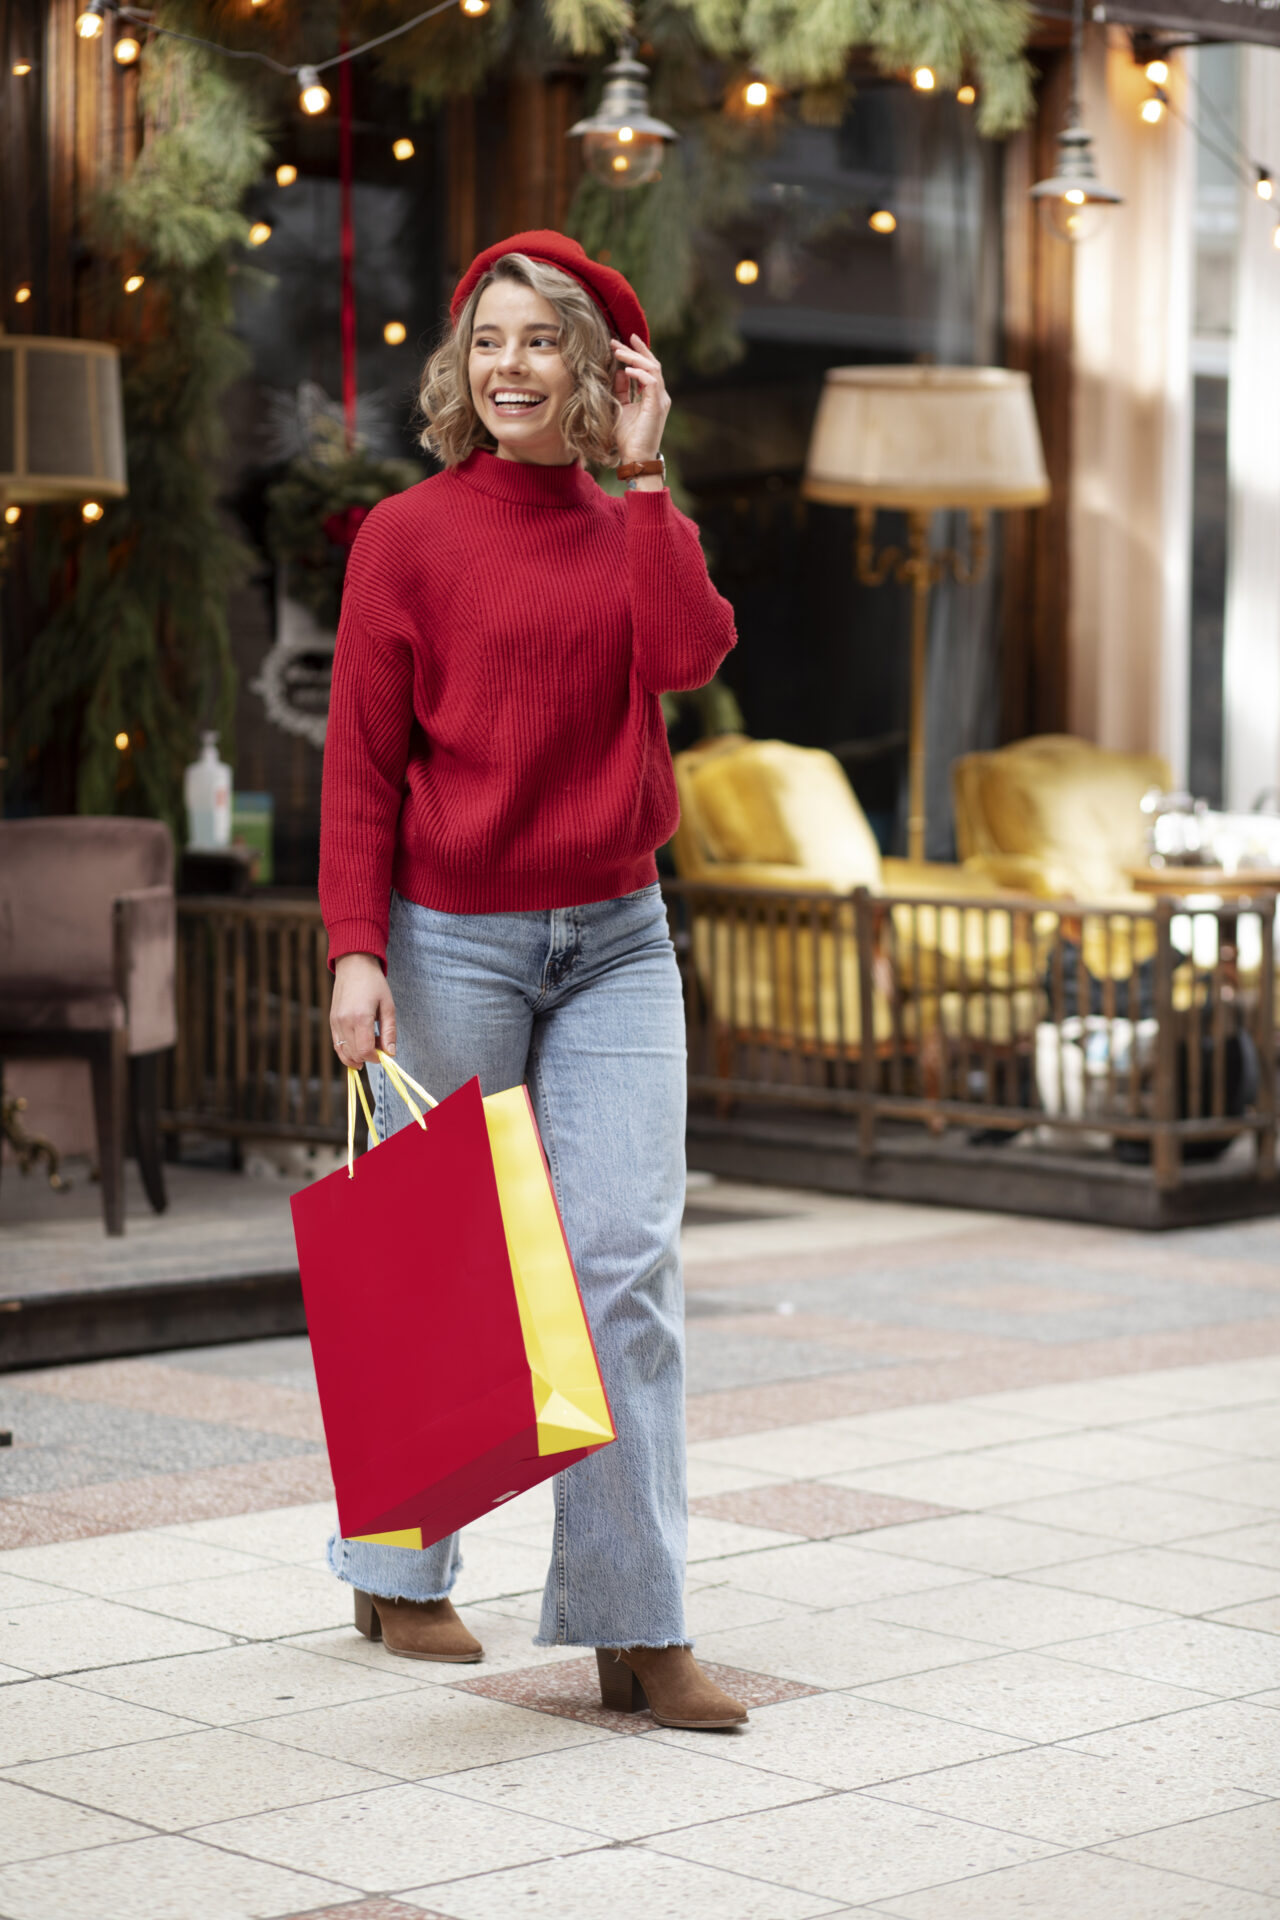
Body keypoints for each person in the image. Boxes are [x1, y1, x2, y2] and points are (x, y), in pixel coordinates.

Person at [319, 230, 745, 1731]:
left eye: (540, 341)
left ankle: (638, 1623)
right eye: (488, 339)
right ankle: (397, 1571)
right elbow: (362, 759)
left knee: (625, 1269)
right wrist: (355, 946)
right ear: (464, 364)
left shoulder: (636, 525)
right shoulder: (406, 537)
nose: (509, 366)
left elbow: (686, 656)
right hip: (452, 934)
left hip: (618, 936)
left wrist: (648, 472)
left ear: (597, 367)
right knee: (440, 1255)